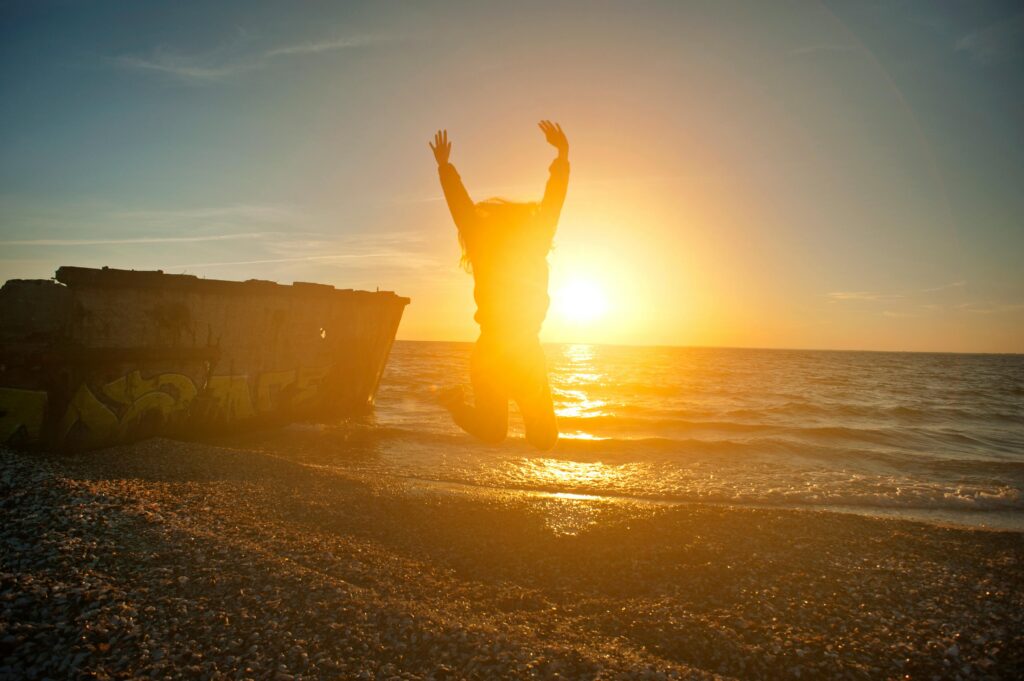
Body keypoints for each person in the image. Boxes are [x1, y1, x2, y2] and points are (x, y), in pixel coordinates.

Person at [429, 121, 570, 450]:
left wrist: (563, 157)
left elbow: (553, 204)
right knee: (494, 432)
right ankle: (453, 402)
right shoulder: (486, 248)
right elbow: (462, 210)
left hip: (523, 351)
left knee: (545, 439)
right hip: (495, 351)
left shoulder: (531, 243)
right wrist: (445, 169)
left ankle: (455, 403)